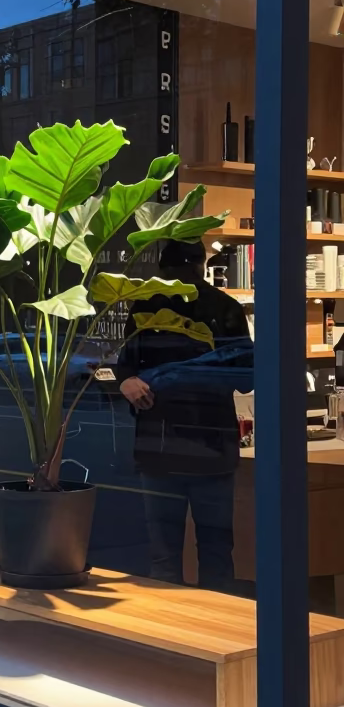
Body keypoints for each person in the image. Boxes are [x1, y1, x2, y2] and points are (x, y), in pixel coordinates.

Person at [116, 239, 253, 592]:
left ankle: (174, 638)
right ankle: (208, 632)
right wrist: (127, 381)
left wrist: (130, 380)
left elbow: (245, 374)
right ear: (200, 264)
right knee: (213, 553)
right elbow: (246, 375)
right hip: (197, 445)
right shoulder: (222, 307)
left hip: (177, 445)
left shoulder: (155, 304)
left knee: (172, 556)